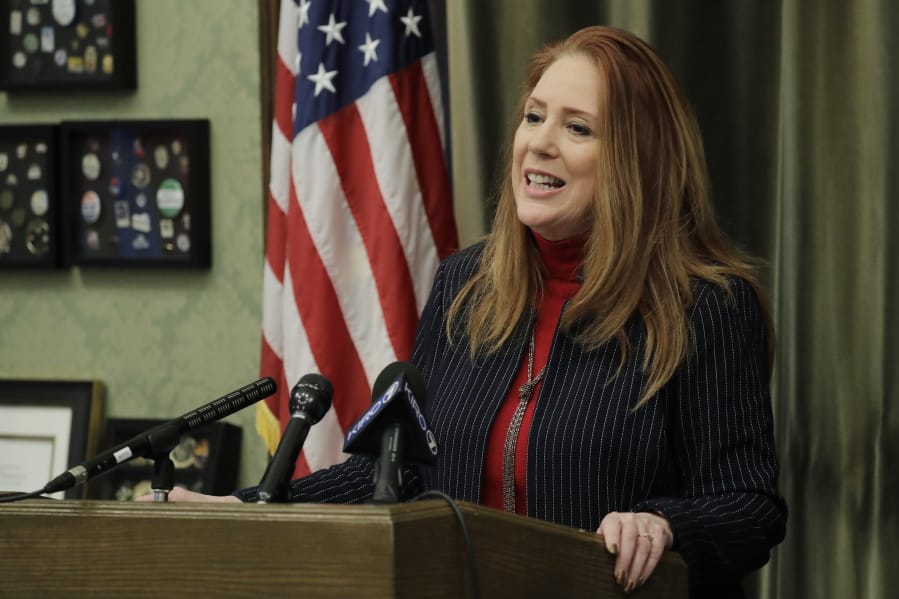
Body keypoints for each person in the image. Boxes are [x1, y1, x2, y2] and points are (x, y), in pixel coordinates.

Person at [159, 25, 787, 598]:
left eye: (577, 127)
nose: (538, 143)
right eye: (534, 116)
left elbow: (749, 507)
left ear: (639, 158)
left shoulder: (707, 305)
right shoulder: (468, 284)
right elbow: (396, 470)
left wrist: (664, 522)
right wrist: (249, 508)